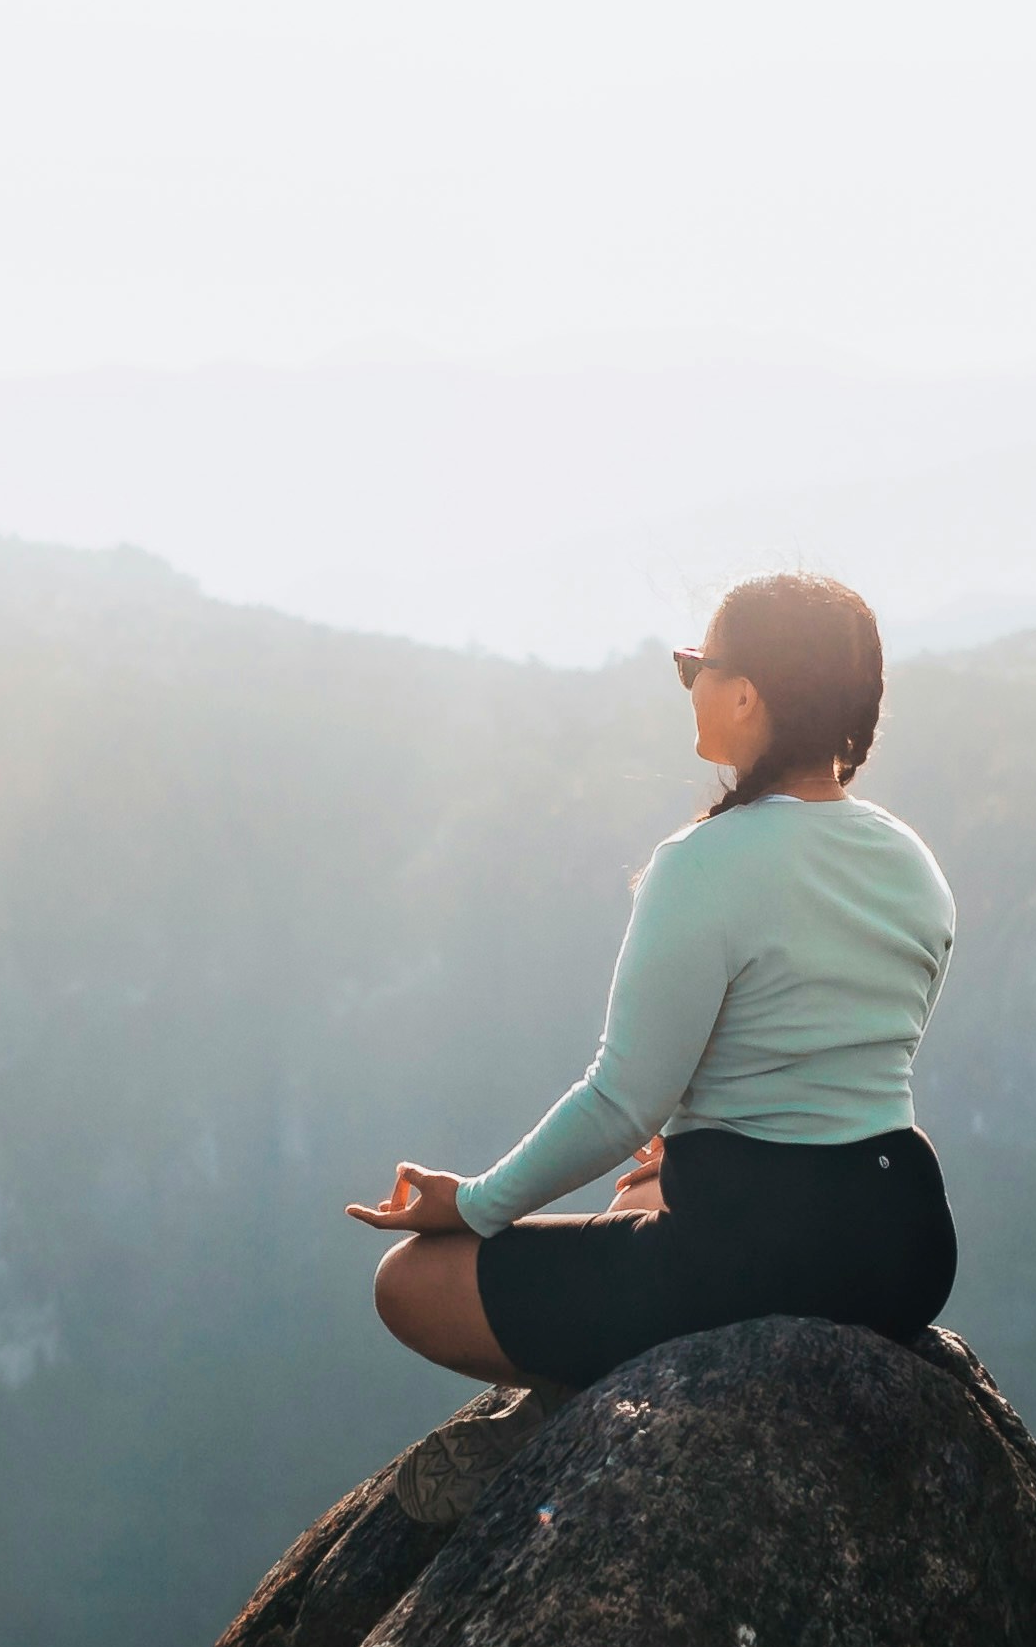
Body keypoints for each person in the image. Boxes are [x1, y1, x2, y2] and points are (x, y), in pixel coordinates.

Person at [349, 571, 961, 1393]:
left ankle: (574, 1404)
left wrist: (471, 1203)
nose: (690, 683)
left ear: (744, 695)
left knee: (408, 1280)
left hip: (758, 1254)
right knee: (643, 1185)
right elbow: (832, 1057)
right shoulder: (910, 861)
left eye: (694, 665)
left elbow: (620, 1101)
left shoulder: (701, 863)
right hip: (904, 1246)